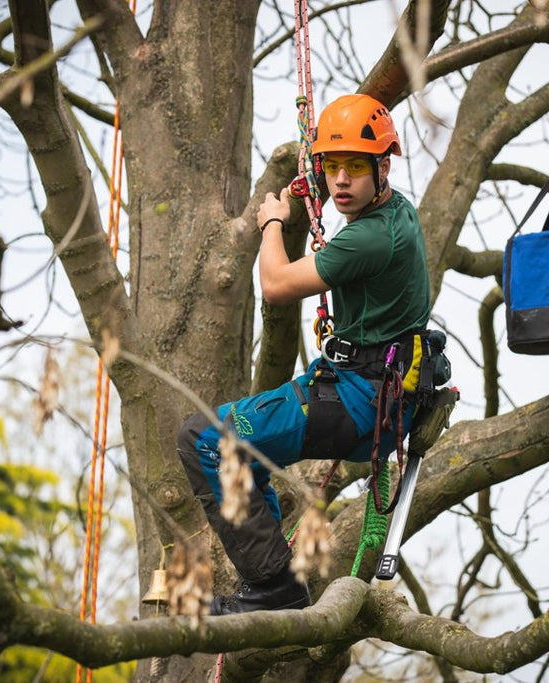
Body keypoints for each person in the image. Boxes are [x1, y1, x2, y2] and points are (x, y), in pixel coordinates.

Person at [176, 94, 449, 615]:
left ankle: (274, 588)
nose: (340, 181)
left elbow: (277, 284)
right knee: (243, 453)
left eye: (354, 168)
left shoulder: (370, 238)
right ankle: (272, 576)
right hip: (372, 393)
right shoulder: (395, 212)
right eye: (332, 167)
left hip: (359, 403)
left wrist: (274, 221)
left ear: (383, 166)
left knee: (204, 440)